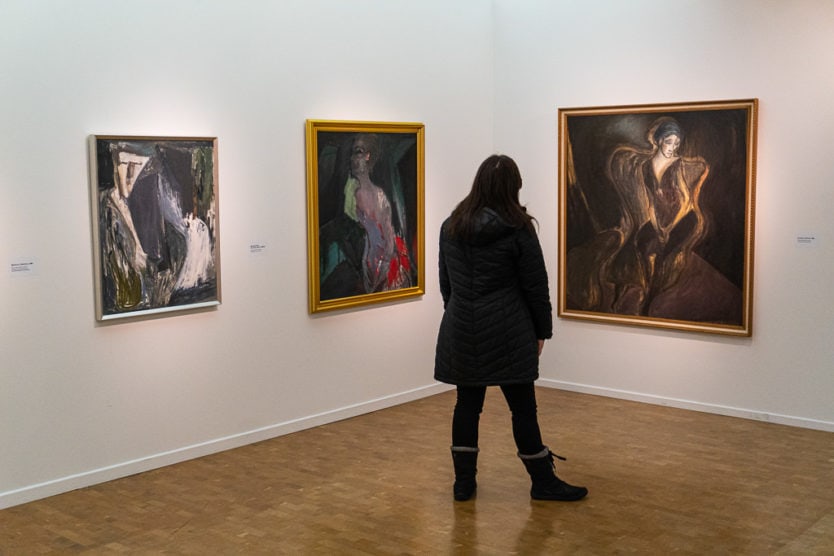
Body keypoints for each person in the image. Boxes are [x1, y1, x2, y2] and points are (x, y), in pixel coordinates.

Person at [434, 154, 588, 502]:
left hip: (462, 327)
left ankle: (463, 484)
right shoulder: (517, 227)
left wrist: (459, 314)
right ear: (513, 187)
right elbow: (536, 285)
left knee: (466, 405)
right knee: (522, 408)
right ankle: (543, 482)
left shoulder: (451, 226)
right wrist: (541, 331)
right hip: (508, 329)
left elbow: (447, 284)